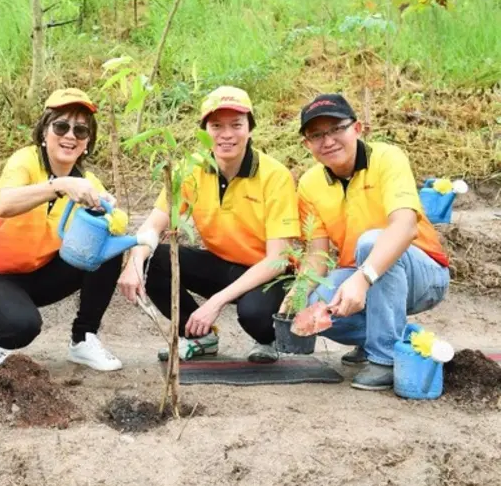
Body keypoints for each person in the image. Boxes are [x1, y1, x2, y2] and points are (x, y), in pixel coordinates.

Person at [118, 86, 300, 362]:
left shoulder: (275, 175)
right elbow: (153, 225)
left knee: (254, 315)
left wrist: (216, 302)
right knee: (152, 259)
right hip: (221, 263)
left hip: (267, 273)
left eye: (236, 125)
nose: (226, 135)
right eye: (216, 126)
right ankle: (199, 338)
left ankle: (267, 339)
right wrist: (134, 262)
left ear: (250, 128)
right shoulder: (190, 170)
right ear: (204, 131)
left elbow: (277, 259)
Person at [293, 93, 450, 390]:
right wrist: (299, 292)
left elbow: (405, 228)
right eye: (316, 135)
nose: (328, 141)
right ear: (307, 144)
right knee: (316, 302)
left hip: (424, 272)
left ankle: (385, 358)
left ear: (357, 128)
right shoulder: (309, 184)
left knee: (370, 242)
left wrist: (363, 278)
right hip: (364, 276)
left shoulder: (387, 158)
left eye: (337, 128)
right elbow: (317, 253)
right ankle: (397, 337)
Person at [0, 88, 124, 371]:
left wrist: (108, 213)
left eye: (81, 130)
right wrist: (59, 186)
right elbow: (4, 204)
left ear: (88, 142)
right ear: (44, 132)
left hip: (43, 276)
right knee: (21, 327)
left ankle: (84, 338)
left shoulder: (88, 181)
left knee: (106, 245)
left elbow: (117, 226)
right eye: (61, 126)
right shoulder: (25, 161)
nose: (70, 135)